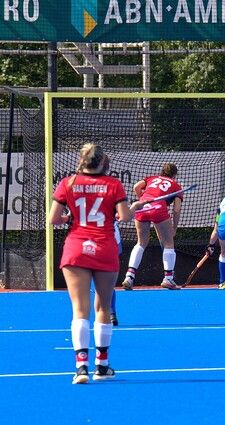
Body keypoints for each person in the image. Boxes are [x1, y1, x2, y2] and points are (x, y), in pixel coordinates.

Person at [48, 143, 143, 384]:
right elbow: (123, 216)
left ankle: (81, 367)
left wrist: (71, 217)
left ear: (82, 160)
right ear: (103, 161)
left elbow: (54, 219)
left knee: (80, 309)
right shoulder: (113, 185)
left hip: (76, 248)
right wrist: (132, 208)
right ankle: (101, 365)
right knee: (103, 307)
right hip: (104, 248)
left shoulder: (67, 183)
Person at [122, 163, 183, 290]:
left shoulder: (152, 178)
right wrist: (174, 228)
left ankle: (129, 276)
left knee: (141, 242)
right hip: (158, 208)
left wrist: (142, 200)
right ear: (174, 175)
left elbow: (136, 187)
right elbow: (176, 209)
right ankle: (168, 278)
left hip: (143, 206)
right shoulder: (176, 185)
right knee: (168, 243)